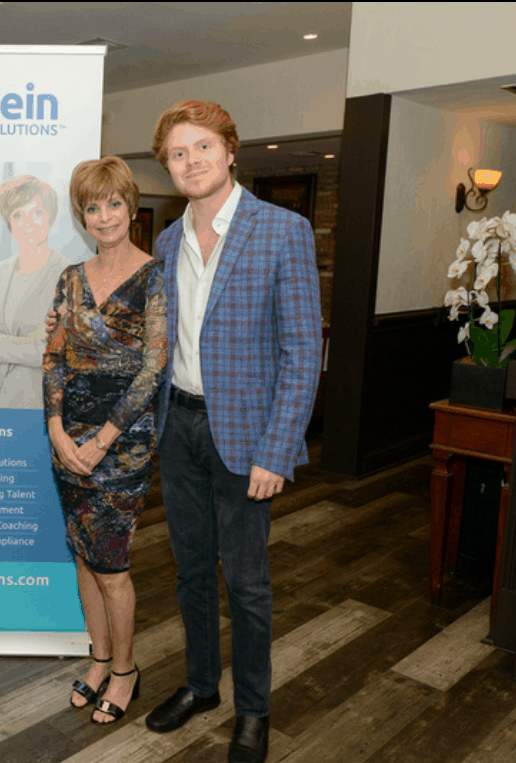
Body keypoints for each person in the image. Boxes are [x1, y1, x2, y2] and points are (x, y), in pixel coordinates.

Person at [144, 101, 321, 763]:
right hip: (179, 427)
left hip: (247, 438)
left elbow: (302, 353)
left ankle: (254, 709)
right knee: (189, 569)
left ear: (230, 150)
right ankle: (200, 685)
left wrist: (278, 450)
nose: (190, 162)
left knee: (245, 582)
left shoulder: (282, 231)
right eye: (178, 153)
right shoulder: (167, 240)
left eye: (202, 147)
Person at [44, 157, 165, 725]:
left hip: (124, 444)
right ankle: (98, 660)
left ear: (131, 206)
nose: (104, 215)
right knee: (83, 559)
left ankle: (125, 670)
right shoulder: (70, 277)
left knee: (111, 564)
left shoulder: (155, 276)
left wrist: (104, 439)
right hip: (66, 441)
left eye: (113, 203)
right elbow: (53, 356)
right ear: (82, 215)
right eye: (93, 206)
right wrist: (54, 429)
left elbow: (153, 367)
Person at [0, 175, 70, 408]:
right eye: (18, 215)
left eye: (37, 212)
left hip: (35, 409)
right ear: (9, 223)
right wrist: (24, 344)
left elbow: (49, 350)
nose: (28, 222)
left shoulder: (68, 276)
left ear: (50, 217)